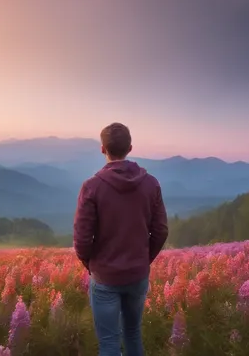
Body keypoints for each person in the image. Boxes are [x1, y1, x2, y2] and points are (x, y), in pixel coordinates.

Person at [74, 122, 168, 356]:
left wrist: (91, 264)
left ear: (103, 149)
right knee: (133, 334)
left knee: (108, 342)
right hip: (137, 275)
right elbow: (161, 230)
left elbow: (82, 238)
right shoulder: (151, 184)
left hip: (104, 277)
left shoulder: (92, 187)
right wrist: (143, 259)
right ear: (131, 147)